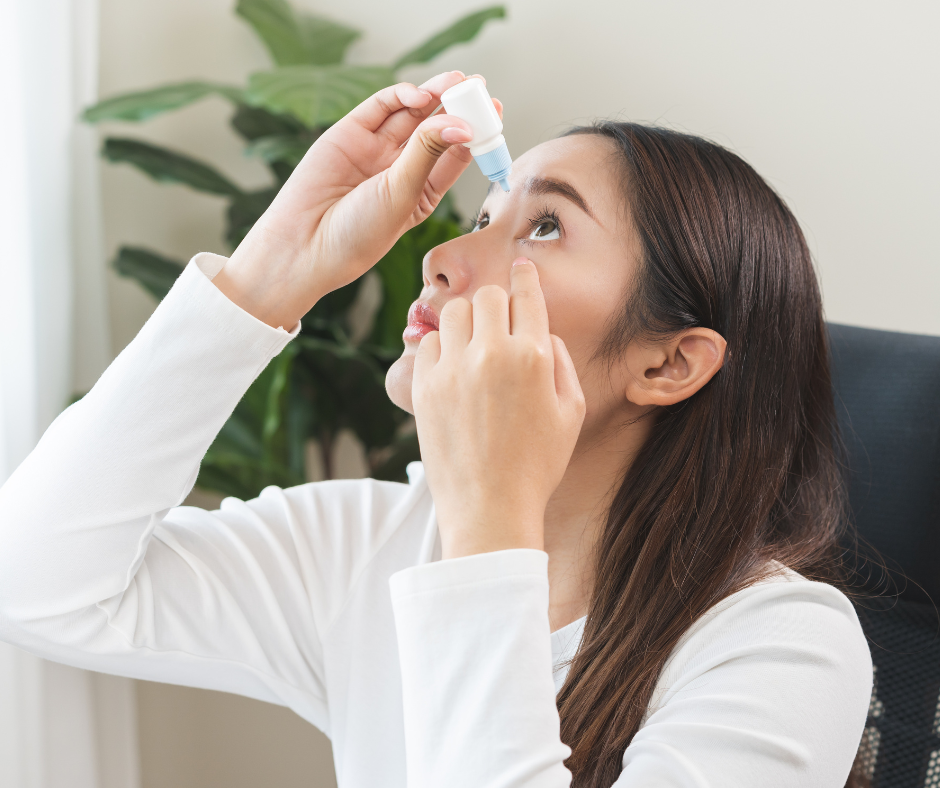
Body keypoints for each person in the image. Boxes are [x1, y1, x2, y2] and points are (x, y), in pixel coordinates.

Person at [0, 71, 872, 787]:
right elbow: (37, 583)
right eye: (486, 215)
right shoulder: (369, 543)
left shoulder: (784, 649)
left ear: (668, 364)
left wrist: (491, 513)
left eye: (545, 226)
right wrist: (270, 276)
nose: (443, 255)